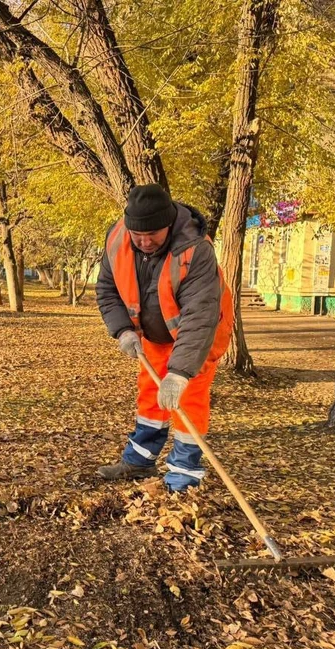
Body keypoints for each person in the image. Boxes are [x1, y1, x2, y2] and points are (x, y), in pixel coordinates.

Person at [95, 184, 234, 492]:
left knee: (188, 398)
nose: (144, 242)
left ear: (169, 224)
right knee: (150, 392)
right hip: (154, 335)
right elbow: (108, 290)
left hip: (202, 332)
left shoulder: (195, 251)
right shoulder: (118, 239)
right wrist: (123, 330)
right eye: (138, 235)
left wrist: (181, 372)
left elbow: (200, 317)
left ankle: (183, 477)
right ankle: (140, 461)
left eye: (153, 234)